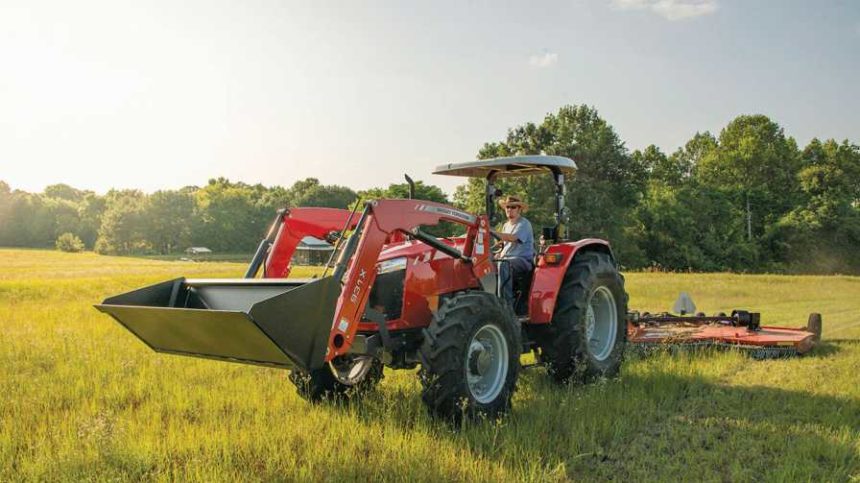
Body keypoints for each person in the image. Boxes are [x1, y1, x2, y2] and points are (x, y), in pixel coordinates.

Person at [492, 195, 534, 305]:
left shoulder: (524, 224)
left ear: (519, 209)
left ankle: (506, 304)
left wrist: (491, 232)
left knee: (503, 264)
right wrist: (497, 253)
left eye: (513, 207)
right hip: (507, 258)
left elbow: (513, 238)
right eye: (507, 207)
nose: (509, 209)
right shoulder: (506, 225)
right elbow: (503, 244)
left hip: (522, 260)